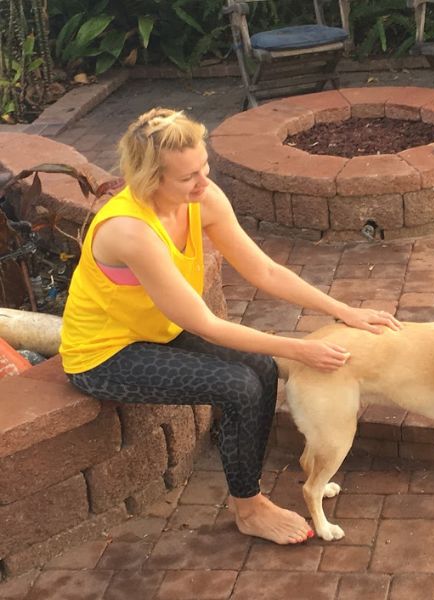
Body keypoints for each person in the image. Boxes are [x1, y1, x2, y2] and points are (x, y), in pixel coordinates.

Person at [59, 107, 401, 545]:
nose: (203, 183)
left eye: (204, 168)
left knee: (260, 367)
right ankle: (248, 507)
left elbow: (265, 271)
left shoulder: (203, 199)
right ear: (149, 179)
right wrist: (299, 349)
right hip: (104, 356)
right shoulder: (130, 232)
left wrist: (344, 311)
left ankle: (248, 494)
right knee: (237, 386)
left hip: (157, 332)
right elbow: (204, 322)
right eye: (188, 178)